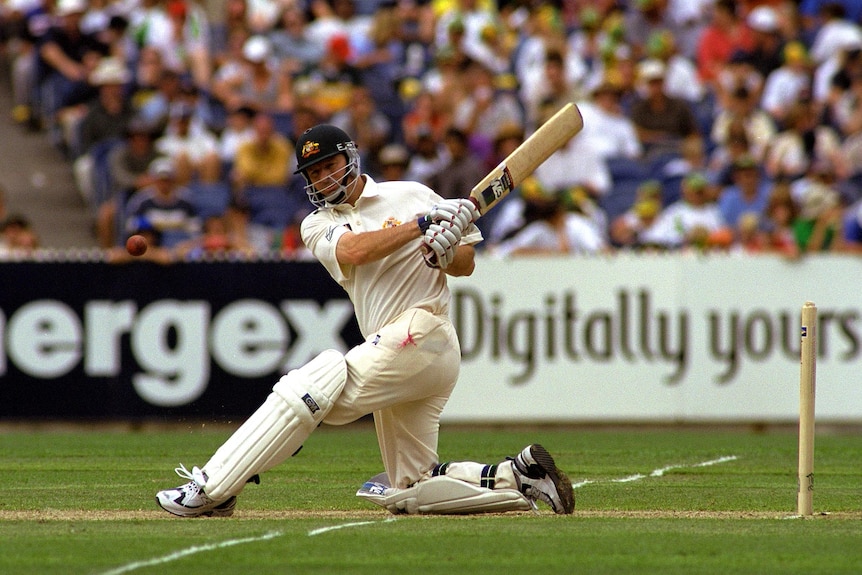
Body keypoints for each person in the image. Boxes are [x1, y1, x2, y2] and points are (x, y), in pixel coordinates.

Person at [155, 124, 575, 517]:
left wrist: (447, 251)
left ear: (350, 158)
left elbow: (465, 263)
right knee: (411, 486)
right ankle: (519, 474)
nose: (322, 178)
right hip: (395, 349)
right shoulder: (317, 224)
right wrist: (421, 227)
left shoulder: (411, 193)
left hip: (424, 332)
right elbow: (356, 252)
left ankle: (212, 489)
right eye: (313, 173)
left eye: (328, 166)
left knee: (311, 387)